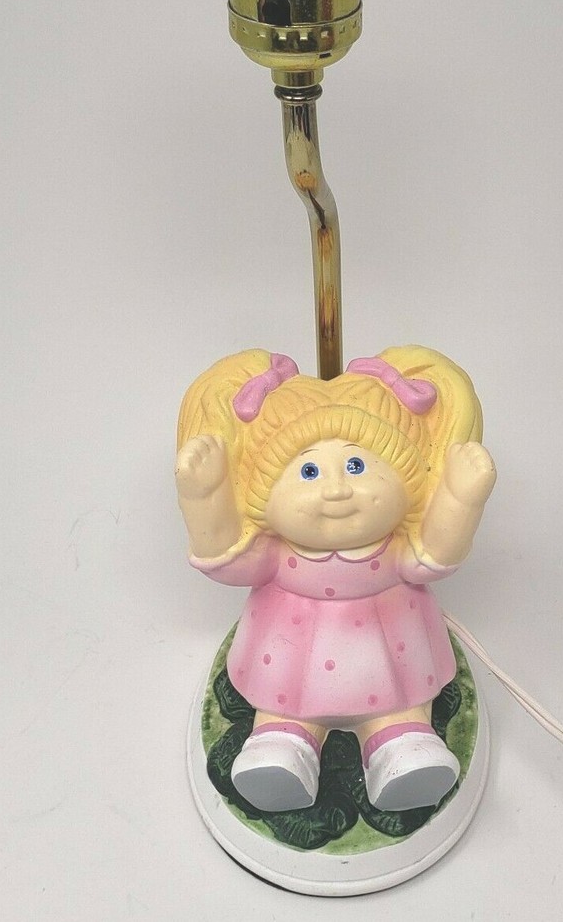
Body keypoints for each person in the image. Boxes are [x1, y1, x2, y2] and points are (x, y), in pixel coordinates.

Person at [177, 346, 496, 812]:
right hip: (288, 658)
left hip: (391, 651)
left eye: (356, 466)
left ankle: (402, 745)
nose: (336, 489)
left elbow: (432, 558)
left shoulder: (393, 551)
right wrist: (205, 496)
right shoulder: (277, 554)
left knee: (402, 709)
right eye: (308, 471)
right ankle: (282, 746)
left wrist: (459, 499)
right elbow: (227, 562)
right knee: (283, 712)